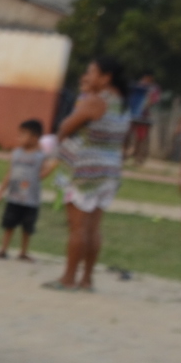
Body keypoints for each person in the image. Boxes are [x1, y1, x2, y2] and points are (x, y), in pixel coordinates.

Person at [47, 56, 127, 292]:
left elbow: (65, 127)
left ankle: (68, 278)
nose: (87, 77)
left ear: (105, 77)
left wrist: (54, 150)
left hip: (85, 170)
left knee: (78, 227)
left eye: (91, 72)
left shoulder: (94, 101)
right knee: (93, 228)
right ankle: (87, 279)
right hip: (110, 171)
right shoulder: (123, 103)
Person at [0, 118, 45, 261]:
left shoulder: (40, 156)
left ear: (35, 138)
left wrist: (53, 165)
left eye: (23, 134)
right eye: (19, 134)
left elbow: (42, 175)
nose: (19, 138)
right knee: (9, 224)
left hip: (30, 200)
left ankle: (23, 252)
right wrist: (0, 191)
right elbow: (9, 173)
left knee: (27, 227)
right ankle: (3, 249)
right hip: (14, 197)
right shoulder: (16, 153)